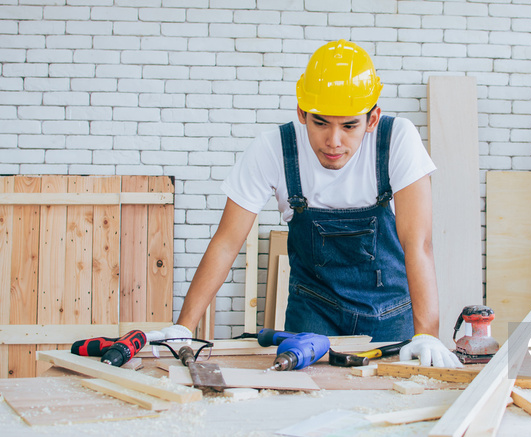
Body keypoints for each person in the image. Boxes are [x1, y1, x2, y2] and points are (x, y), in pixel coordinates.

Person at [148, 40, 462, 368]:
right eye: (321, 122)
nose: (334, 141)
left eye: (350, 125)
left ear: (372, 119)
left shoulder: (397, 140)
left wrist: (427, 333)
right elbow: (227, 243)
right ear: (302, 113)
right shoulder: (272, 150)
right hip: (313, 312)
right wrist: (183, 329)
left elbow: (419, 243)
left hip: (392, 313)